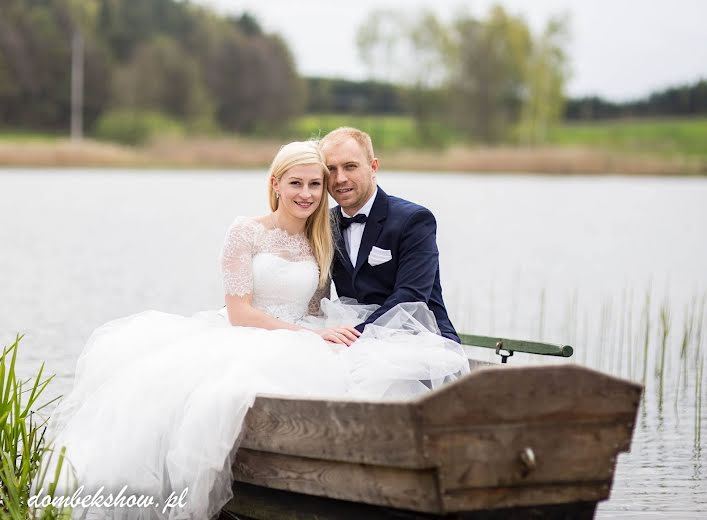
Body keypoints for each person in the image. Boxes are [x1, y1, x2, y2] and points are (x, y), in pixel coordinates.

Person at [43, 141, 468, 520]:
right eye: (300, 182)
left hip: (313, 333)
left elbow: (321, 305)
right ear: (276, 183)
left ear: (372, 167)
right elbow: (239, 312)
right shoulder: (246, 231)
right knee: (217, 391)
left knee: (345, 376)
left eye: (317, 184)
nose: (311, 192)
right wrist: (313, 335)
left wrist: (332, 333)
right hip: (252, 331)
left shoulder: (324, 234)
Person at [319, 127, 460, 342]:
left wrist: (353, 338)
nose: (340, 178)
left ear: (373, 167)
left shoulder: (414, 220)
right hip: (353, 336)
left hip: (417, 337)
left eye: (350, 167)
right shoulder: (325, 225)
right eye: (331, 170)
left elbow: (410, 299)